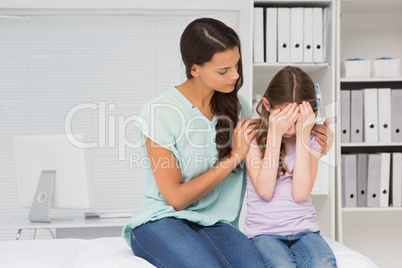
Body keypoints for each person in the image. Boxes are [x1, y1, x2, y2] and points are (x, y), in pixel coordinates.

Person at [122, 18, 334, 268]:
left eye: (236, 65)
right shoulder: (160, 113)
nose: (234, 75)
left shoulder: (239, 106)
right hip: (162, 220)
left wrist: (312, 134)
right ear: (194, 69)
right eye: (223, 71)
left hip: (218, 223)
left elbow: (275, 134)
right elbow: (176, 199)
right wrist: (234, 157)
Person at [244, 66, 337, 268]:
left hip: (305, 230)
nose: (290, 128)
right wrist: (274, 136)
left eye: (298, 121)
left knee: (324, 264)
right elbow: (265, 191)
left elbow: (300, 193)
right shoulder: (252, 138)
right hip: (264, 233)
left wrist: (304, 135)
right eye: (284, 119)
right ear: (267, 105)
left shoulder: (312, 139)